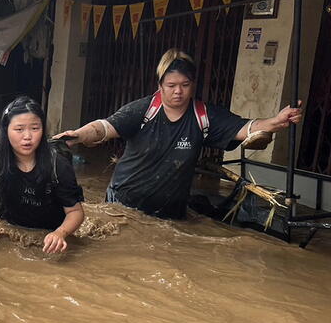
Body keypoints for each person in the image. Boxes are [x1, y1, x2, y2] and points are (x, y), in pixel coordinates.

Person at [52, 48, 303, 219]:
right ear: (159, 85)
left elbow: (245, 128)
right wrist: (78, 135)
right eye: (171, 86)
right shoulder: (144, 109)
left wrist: (275, 122)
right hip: (123, 207)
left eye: (185, 85)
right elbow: (105, 127)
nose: (178, 92)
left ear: (193, 85)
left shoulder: (205, 116)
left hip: (171, 214)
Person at [0, 96, 86, 254]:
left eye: (35, 128)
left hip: (47, 235)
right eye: (19, 129)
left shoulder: (57, 165)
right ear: (6, 130)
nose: (27, 136)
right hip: (4, 227)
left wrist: (60, 233)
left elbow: (75, 212)